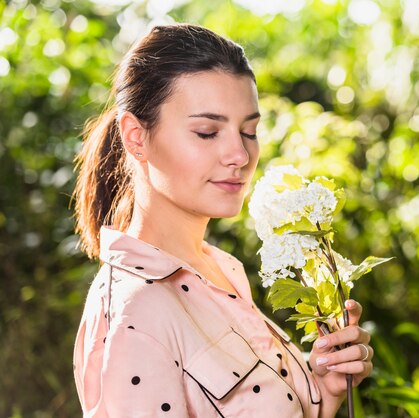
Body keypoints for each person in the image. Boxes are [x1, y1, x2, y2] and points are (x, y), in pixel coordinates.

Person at [72, 24, 373, 418]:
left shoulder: (218, 269)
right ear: (135, 137)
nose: (240, 155)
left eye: (249, 131)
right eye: (207, 132)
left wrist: (323, 388)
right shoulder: (136, 310)